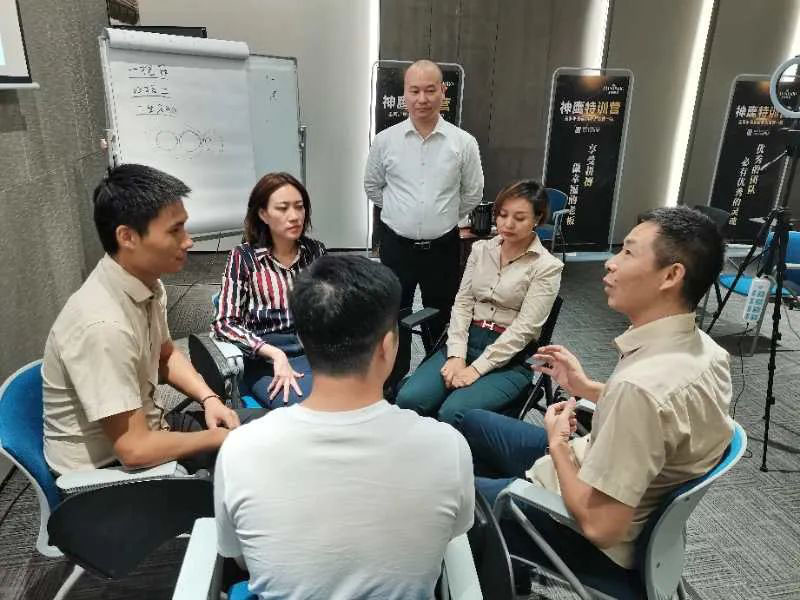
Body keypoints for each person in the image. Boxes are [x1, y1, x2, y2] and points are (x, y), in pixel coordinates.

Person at [458, 206, 734, 599]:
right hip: (597, 465)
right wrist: (586, 388)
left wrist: (557, 445)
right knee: (472, 423)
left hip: (584, 528)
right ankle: (498, 556)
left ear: (671, 276)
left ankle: (494, 541)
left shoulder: (640, 389)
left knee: (441, 493)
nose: (610, 263)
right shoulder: (703, 350)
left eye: (628, 252)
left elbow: (600, 528)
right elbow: (665, 417)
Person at [214, 255, 475, 599]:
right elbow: (451, 538)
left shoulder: (240, 450)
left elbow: (240, 558)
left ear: (303, 339)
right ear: (387, 346)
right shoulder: (447, 447)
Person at [42, 164, 264, 476]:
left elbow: (165, 356)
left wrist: (210, 399)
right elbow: (134, 450)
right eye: (175, 231)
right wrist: (220, 439)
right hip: (109, 473)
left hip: (152, 430)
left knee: (274, 433)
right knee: (253, 474)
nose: (188, 241)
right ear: (127, 237)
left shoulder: (147, 284)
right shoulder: (103, 326)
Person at [396, 180, 562, 425]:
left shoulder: (547, 266)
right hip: (468, 339)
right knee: (408, 399)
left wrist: (476, 368)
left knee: (453, 412)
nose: (508, 224)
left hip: (510, 355)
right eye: (502, 215)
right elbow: (463, 303)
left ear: (537, 218)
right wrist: (456, 354)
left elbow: (525, 329)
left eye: (519, 218)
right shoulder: (481, 250)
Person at [364, 59, 484, 393]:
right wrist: (402, 213)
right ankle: (390, 383)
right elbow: (372, 186)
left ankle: (435, 383)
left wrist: (439, 217)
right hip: (396, 245)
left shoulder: (463, 142)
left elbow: (472, 193)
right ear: (404, 94)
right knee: (392, 314)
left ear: (442, 92)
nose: (422, 98)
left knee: (442, 314)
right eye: (414, 91)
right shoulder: (385, 141)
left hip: (442, 247)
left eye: (430, 90)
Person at [212, 172, 326, 408]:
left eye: (299, 207)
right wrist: (274, 353)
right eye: (283, 208)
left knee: (355, 402)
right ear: (263, 214)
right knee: (313, 410)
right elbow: (224, 323)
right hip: (266, 359)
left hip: (317, 352)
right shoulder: (244, 258)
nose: (294, 216)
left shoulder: (316, 252)